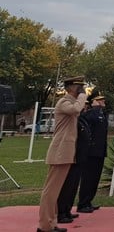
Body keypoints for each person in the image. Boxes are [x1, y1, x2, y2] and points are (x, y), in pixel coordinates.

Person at [37, 75, 88, 232]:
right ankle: (45, 225)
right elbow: (76, 109)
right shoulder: (64, 102)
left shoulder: (71, 102)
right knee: (51, 191)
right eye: (79, 86)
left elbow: (77, 110)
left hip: (65, 152)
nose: (81, 89)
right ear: (71, 87)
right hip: (60, 151)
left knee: (55, 191)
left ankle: (51, 223)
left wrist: (80, 97)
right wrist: (82, 96)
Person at [56, 105, 90, 224]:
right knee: (67, 186)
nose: (84, 107)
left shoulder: (81, 120)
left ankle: (67, 209)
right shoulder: (72, 121)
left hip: (79, 157)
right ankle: (61, 212)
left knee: (73, 186)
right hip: (72, 156)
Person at [77, 94, 108, 213]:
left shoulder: (101, 114)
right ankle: (83, 203)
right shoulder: (90, 114)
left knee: (95, 178)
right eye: (99, 99)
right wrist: (94, 107)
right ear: (94, 102)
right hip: (91, 152)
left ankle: (88, 201)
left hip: (99, 151)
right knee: (88, 178)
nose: (103, 101)